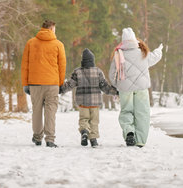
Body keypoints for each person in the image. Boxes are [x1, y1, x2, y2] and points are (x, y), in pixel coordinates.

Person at [109, 27, 163, 148]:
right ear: (134, 40)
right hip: (141, 89)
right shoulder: (142, 52)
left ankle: (129, 132)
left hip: (124, 89)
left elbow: (112, 74)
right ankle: (140, 141)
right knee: (142, 113)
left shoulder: (118, 54)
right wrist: (159, 50)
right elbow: (154, 57)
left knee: (126, 112)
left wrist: (118, 86)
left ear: (123, 41)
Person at [21, 20, 66, 148]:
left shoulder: (31, 43)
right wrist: (61, 84)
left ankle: (37, 137)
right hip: (52, 84)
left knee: (36, 111)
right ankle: (50, 139)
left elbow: (25, 66)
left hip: (34, 83)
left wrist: (25, 83)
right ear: (51, 29)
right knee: (50, 111)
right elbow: (62, 66)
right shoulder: (58, 45)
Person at [60, 48, 118, 147]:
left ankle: (84, 131)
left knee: (84, 119)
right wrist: (115, 91)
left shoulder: (77, 72)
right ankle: (94, 140)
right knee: (94, 121)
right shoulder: (98, 71)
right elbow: (104, 86)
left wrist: (60, 89)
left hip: (82, 102)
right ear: (92, 61)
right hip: (95, 102)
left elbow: (70, 84)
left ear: (82, 61)